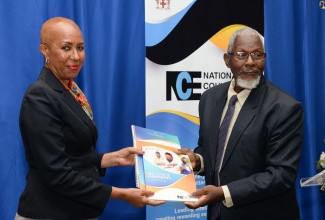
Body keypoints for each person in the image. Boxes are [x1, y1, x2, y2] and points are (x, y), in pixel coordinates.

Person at [16, 17, 164, 220]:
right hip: (49, 213)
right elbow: (56, 173)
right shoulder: (40, 95)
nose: (76, 56)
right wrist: (120, 194)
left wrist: (111, 159)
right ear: (45, 50)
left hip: (77, 211)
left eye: (80, 47)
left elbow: (72, 155)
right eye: (66, 48)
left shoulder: (70, 89)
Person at [176, 27, 303, 220]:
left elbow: (281, 174)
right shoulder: (209, 99)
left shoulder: (285, 108)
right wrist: (198, 161)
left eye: (257, 55)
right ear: (228, 60)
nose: (250, 62)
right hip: (217, 214)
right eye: (242, 55)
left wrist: (224, 193)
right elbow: (211, 149)